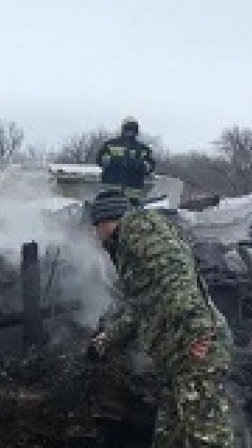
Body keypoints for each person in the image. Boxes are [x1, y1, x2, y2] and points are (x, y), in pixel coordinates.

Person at [88, 189, 234, 447]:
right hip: (176, 357)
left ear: (104, 222)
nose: (96, 236)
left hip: (194, 348)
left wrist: (199, 332)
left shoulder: (142, 231)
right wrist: (105, 340)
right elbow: (141, 307)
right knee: (170, 437)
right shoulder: (131, 244)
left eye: (95, 228)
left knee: (208, 437)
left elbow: (178, 281)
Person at [95, 117, 156, 203]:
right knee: (108, 215)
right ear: (123, 129)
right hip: (110, 191)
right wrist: (115, 161)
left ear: (136, 131)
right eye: (128, 128)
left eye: (133, 129)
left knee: (131, 215)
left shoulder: (143, 149)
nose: (130, 131)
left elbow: (150, 167)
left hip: (133, 194)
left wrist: (139, 165)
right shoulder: (110, 144)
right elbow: (100, 160)